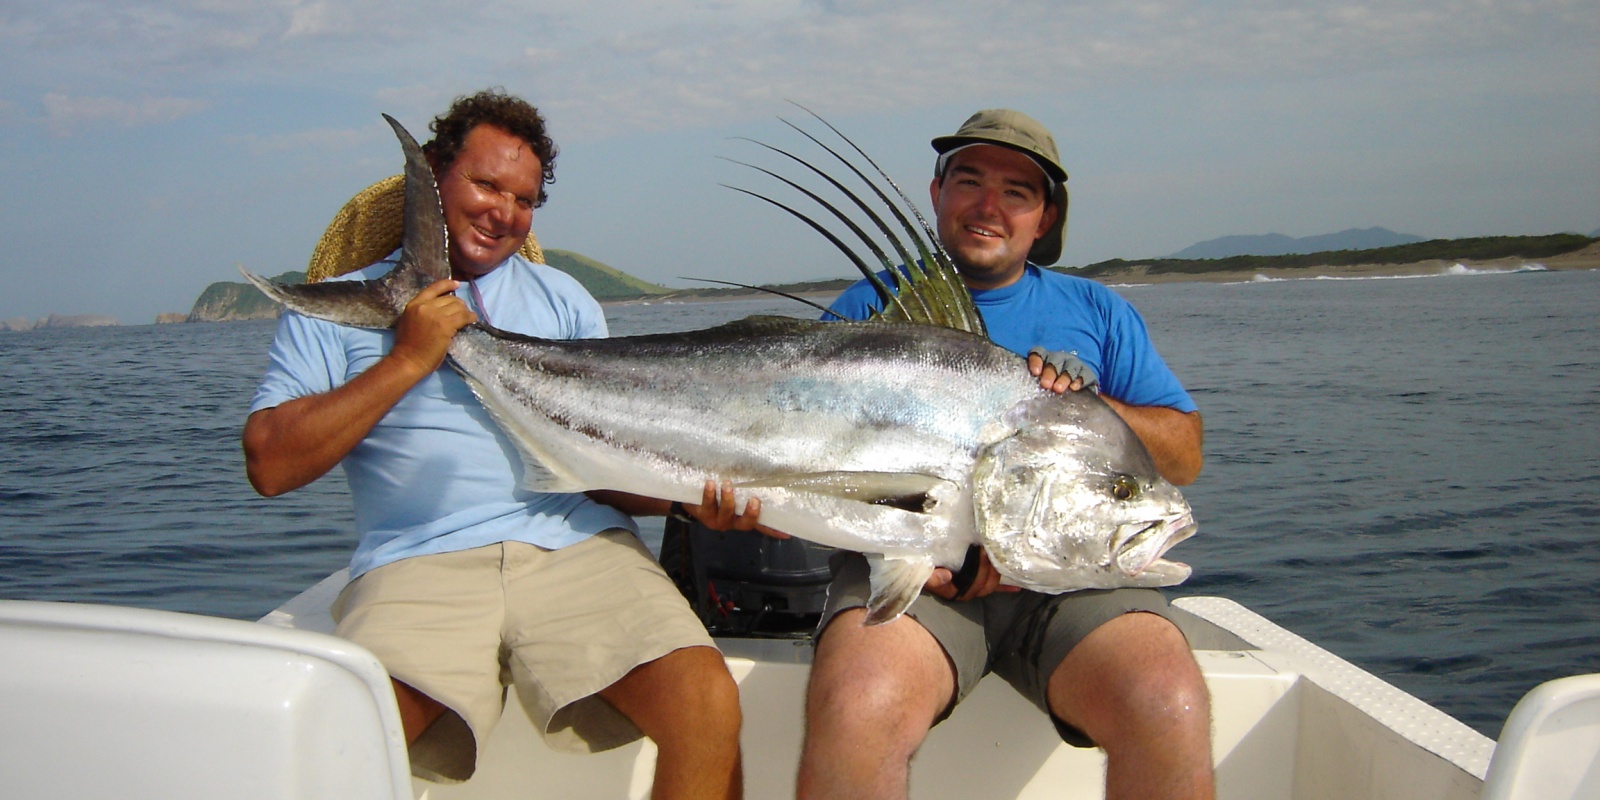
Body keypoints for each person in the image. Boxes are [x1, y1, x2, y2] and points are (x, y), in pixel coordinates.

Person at [242, 89, 760, 798]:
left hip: (580, 548)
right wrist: (406, 359)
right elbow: (269, 465)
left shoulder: (564, 301)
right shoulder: (334, 311)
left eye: (524, 200)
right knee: (345, 737)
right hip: (419, 561)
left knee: (707, 701)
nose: (503, 212)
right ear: (430, 175)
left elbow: (601, 466)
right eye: (486, 184)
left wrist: (688, 501)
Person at [797, 109, 1213, 799]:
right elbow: (808, 456)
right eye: (969, 180)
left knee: (1167, 701)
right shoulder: (868, 310)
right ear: (937, 194)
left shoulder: (1099, 310)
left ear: (1044, 218)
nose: (988, 205)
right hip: (912, 583)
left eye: (1017, 191)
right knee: (857, 705)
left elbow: (1185, 456)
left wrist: (1082, 402)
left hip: (1078, 586)